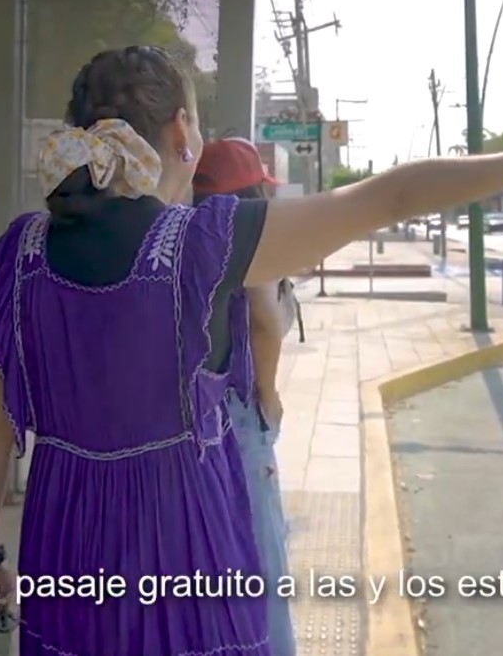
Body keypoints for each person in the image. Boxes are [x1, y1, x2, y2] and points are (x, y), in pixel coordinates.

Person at [0, 44, 503, 656]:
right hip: (181, 543)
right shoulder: (204, 243)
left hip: (62, 538)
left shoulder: (17, 253)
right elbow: (392, 196)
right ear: (180, 133)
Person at [191, 136, 295, 656]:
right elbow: (264, 320)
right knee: (263, 562)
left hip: (198, 413)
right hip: (239, 411)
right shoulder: (249, 236)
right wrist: (267, 396)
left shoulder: (186, 236)